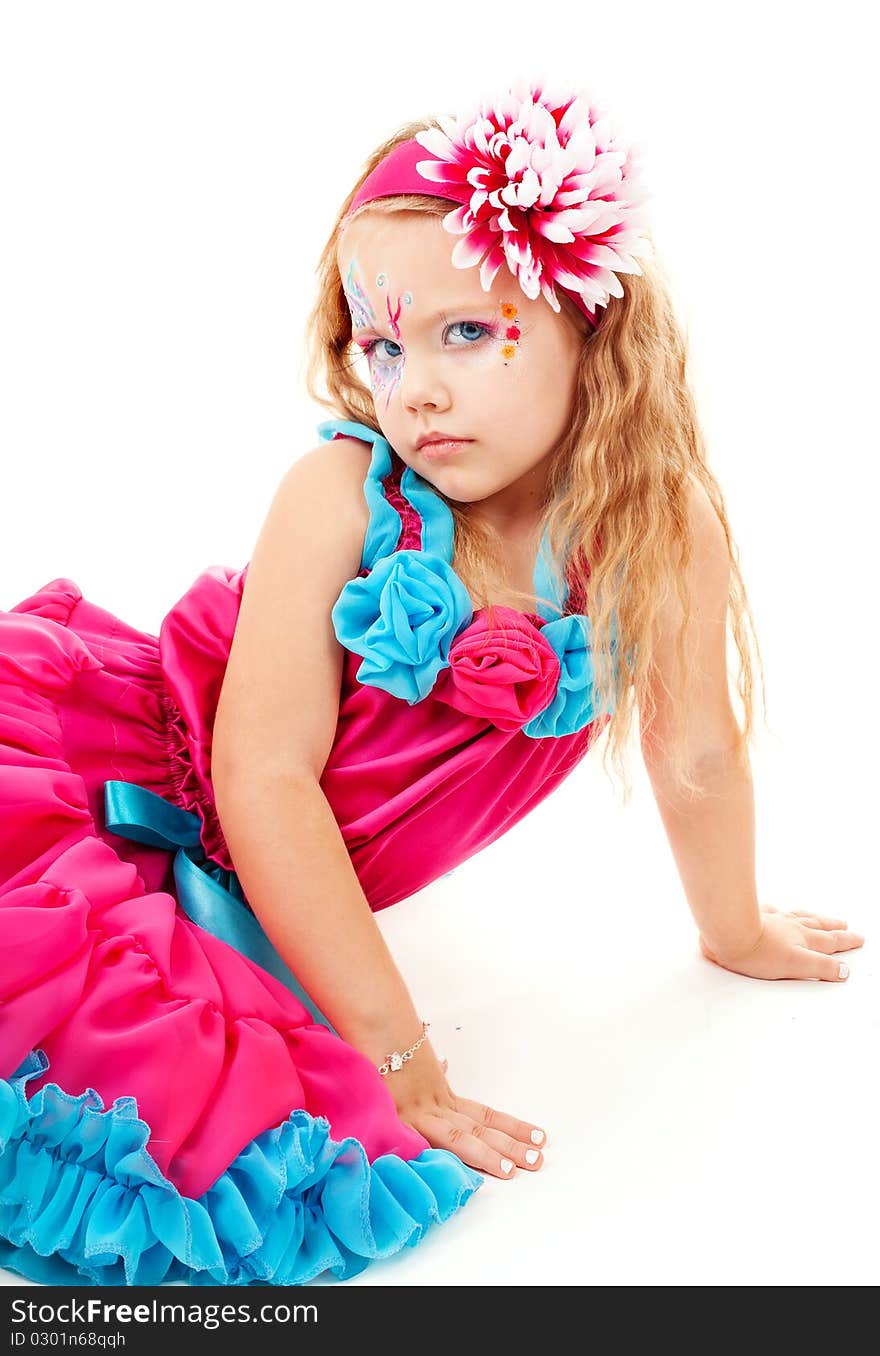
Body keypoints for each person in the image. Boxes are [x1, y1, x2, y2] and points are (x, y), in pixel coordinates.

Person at [0, 77, 864, 1289]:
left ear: (591, 326)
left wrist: (735, 931)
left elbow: (699, 754)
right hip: (144, 819)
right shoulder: (341, 501)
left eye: (465, 333)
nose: (415, 388)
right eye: (383, 343)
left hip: (286, 881)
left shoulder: (656, 530)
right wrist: (401, 1059)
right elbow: (262, 779)